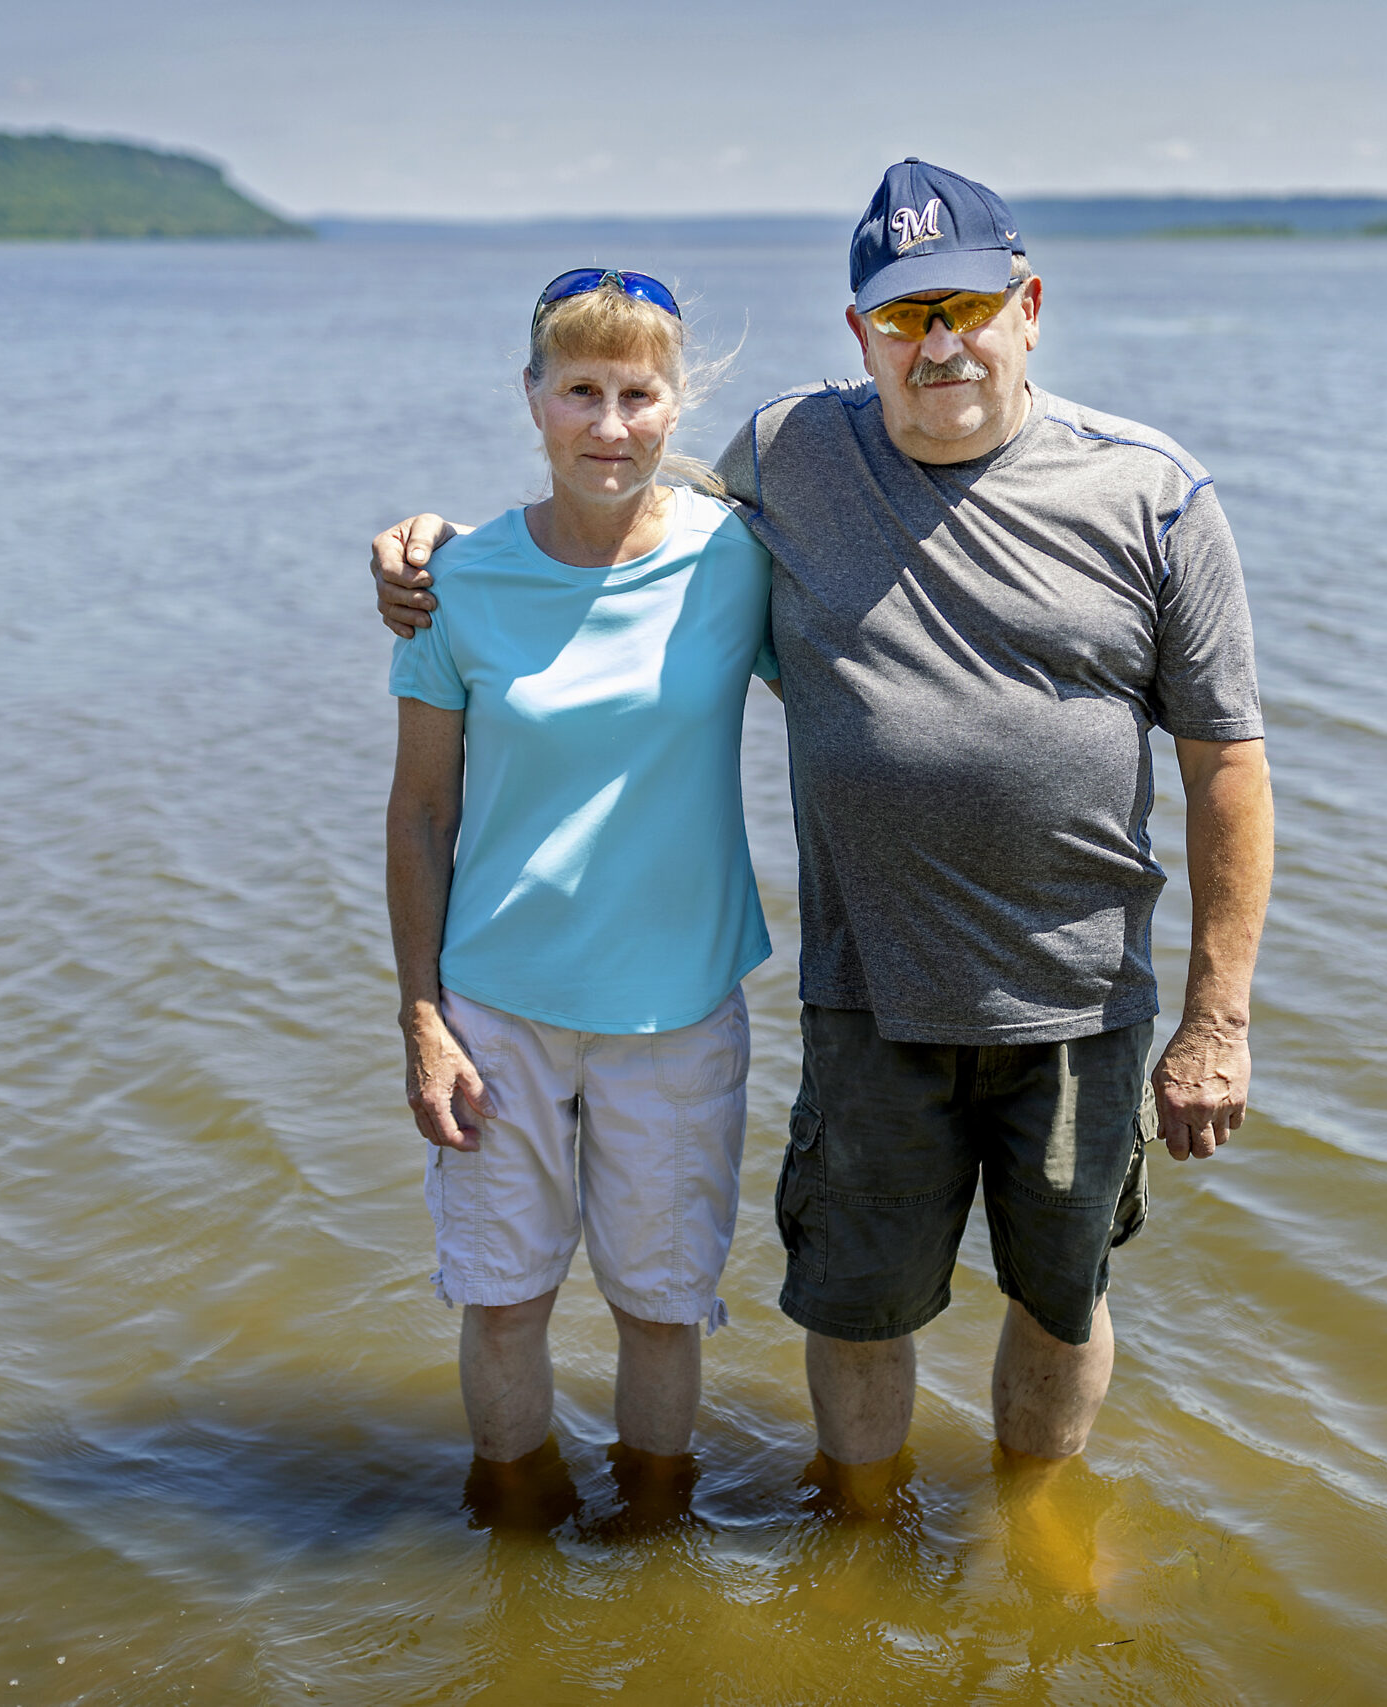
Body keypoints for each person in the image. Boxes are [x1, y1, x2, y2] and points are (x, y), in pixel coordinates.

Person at [375, 161, 1274, 1507]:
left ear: (1029, 306)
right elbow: (584, 561)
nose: (940, 343)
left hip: (1072, 995)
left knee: (1059, 1295)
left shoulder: (1144, 493)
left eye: (967, 306)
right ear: (861, 334)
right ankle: (837, 1543)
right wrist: (427, 547)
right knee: (848, 1306)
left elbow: (1227, 766)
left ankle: (1027, 1532)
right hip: (857, 995)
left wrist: (1220, 1016)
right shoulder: (789, 460)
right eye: (905, 316)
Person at [381, 266, 778, 1517]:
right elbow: (421, 810)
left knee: (662, 1313)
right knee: (503, 1303)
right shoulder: (456, 581)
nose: (609, 426)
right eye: (580, 393)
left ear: (675, 406)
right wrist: (420, 1016)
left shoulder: (739, 559)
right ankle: (515, 1546)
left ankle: (656, 1546)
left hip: (679, 1008)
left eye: (638, 394)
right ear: (533, 399)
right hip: (496, 1006)